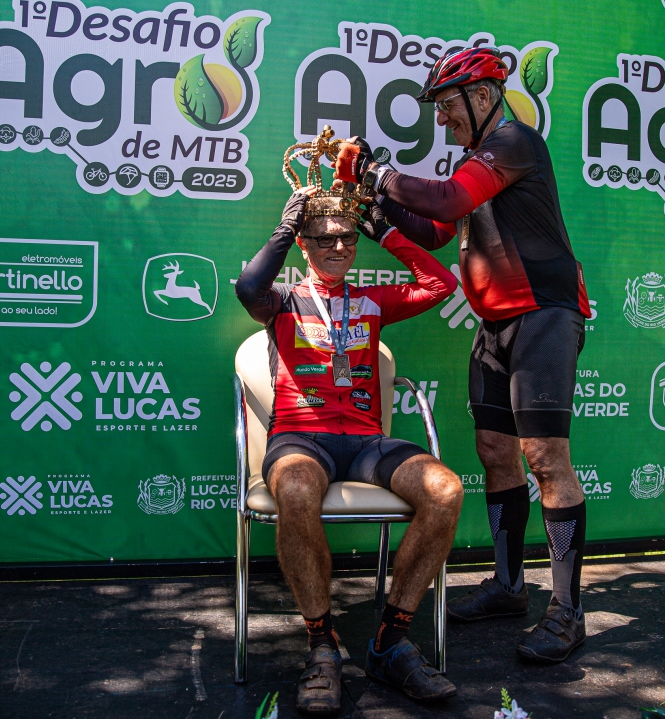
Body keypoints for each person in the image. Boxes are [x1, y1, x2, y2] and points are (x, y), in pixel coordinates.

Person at [335, 46, 592, 664]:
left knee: (546, 459)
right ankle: (509, 586)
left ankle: (568, 611)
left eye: (448, 106)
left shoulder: (514, 142)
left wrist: (377, 173)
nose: (442, 119)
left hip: (544, 315)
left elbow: (448, 201)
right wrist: (377, 210)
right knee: (495, 452)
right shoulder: (477, 162)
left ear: (482, 96)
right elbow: (435, 229)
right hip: (497, 322)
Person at [234, 185, 464, 714]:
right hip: (301, 438)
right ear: (305, 246)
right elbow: (248, 287)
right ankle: (322, 645)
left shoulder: (371, 301)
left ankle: (390, 642)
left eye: (347, 238)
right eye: (325, 239)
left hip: (366, 442)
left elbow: (441, 283)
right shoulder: (282, 300)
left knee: (446, 490)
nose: (339, 247)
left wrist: (384, 231)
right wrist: (286, 227)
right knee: (295, 488)